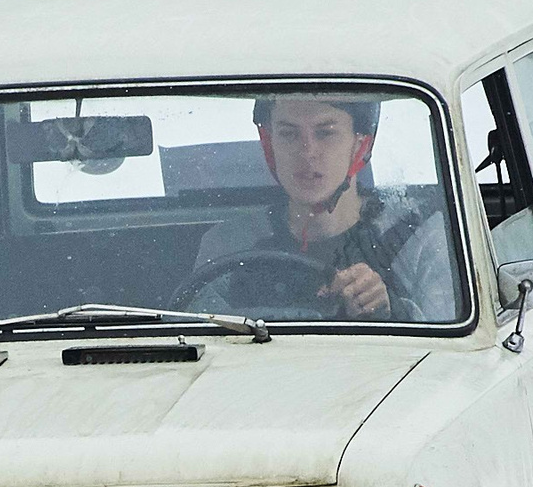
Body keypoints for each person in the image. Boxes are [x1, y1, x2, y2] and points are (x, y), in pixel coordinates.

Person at [187, 95, 454, 320]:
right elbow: (197, 335)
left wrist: (390, 309)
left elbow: (450, 352)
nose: (307, 152)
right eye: (289, 134)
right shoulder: (228, 244)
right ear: (269, 143)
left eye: (326, 133)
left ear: (360, 142)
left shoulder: (417, 240)